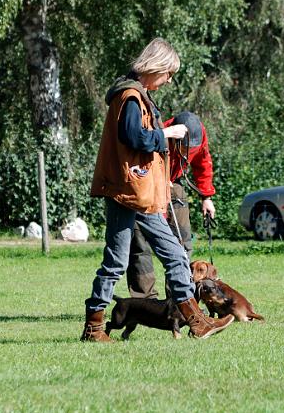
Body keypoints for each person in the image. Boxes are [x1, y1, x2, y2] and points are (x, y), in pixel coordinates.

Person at [82, 38, 234, 342]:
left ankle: (197, 323)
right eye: (168, 73)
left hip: (141, 193)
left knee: (176, 255)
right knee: (115, 262)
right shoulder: (129, 96)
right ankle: (94, 328)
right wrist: (167, 133)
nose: (169, 80)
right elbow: (133, 137)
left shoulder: (138, 95)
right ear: (156, 67)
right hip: (129, 192)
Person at [126, 110, 215, 299]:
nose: (187, 152)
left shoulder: (199, 133)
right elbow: (137, 161)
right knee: (140, 244)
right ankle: (145, 301)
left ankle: (180, 298)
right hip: (145, 186)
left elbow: (203, 162)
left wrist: (206, 196)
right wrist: (159, 181)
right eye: (184, 148)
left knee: (183, 243)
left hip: (174, 183)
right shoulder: (160, 131)